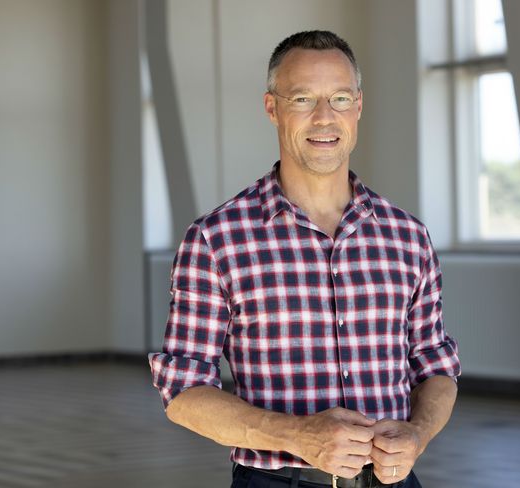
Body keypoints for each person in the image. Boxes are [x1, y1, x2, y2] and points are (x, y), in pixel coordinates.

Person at [149, 30, 461, 488]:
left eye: (339, 98)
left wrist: (419, 433)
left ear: (358, 106)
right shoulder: (216, 240)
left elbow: (436, 368)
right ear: (271, 108)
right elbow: (183, 391)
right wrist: (297, 435)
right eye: (302, 99)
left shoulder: (408, 237)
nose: (324, 117)